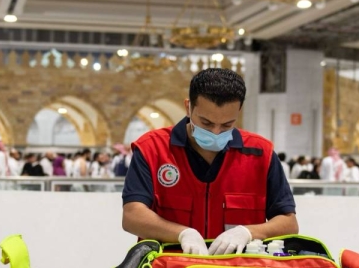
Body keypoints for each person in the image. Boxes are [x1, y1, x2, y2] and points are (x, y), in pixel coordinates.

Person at [122, 68, 298, 256]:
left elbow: (288, 222)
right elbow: (133, 215)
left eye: (226, 125)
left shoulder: (260, 154)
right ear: (188, 107)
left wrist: (248, 232)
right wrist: (182, 234)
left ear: (238, 112)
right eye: (206, 123)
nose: (215, 132)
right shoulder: (152, 149)